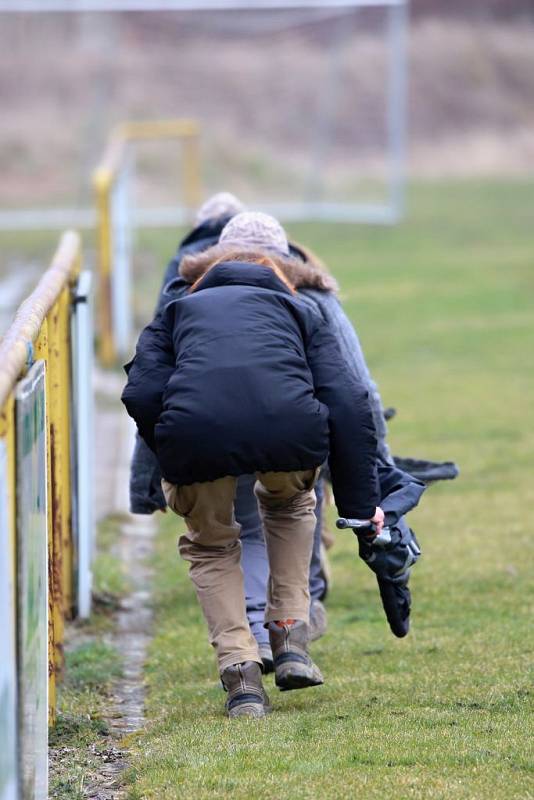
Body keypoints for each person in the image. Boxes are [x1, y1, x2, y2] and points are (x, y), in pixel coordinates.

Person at [122, 212, 383, 718]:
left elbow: (142, 390)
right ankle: (289, 638)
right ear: (281, 268)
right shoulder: (300, 309)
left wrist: (173, 442)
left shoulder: (178, 308)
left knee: (212, 544)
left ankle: (241, 675)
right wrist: (360, 504)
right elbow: (350, 400)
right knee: (289, 508)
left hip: (194, 434)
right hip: (289, 430)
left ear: (209, 267)